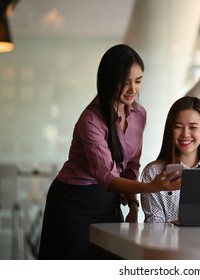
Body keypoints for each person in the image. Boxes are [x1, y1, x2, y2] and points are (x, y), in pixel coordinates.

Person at [37, 44, 181, 260]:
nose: (133, 89)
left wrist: (133, 204)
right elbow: (107, 176)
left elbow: (131, 166)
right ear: (108, 80)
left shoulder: (139, 114)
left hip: (108, 201)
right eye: (125, 82)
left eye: (138, 80)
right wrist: (152, 187)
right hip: (74, 202)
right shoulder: (91, 120)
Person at [141, 96, 200, 223]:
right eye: (178, 127)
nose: (185, 134)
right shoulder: (153, 172)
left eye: (193, 127)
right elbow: (154, 224)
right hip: (165, 242)